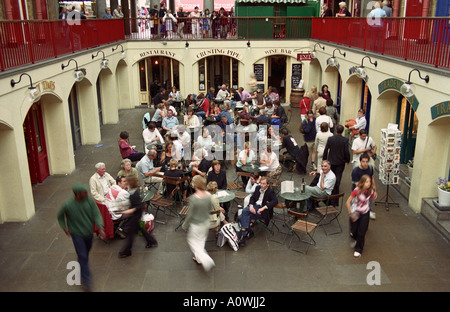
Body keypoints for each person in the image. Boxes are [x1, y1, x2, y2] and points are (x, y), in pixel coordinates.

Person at [57, 183, 104, 291]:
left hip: (88, 233)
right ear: (78, 194)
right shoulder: (68, 205)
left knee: (85, 253)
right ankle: (86, 281)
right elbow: (60, 217)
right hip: (76, 234)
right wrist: (65, 228)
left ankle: (82, 264)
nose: (87, 194)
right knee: (83, 256)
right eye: (84, 192)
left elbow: (96, 214)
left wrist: (100, 227)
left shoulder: (90, 201)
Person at [118, 175, 158, 258]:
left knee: (130, 233)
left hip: (135, 214)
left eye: (126, 181)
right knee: (138, 228)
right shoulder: (132, 191)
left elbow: (137, 206)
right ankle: (151, 241)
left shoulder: (133, 193)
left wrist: (128, 211)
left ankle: (127, 250)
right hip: (136, 214)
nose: (125, 183)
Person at [182, 175, 215, 271]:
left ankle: (206, 260)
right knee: (201, 241)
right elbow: (210, 208)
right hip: (206, 222)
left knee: (192, 242)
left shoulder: (194, 198)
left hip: (196, 224)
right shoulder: (208, 195)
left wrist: (185, 225)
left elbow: (190, 215)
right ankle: (198, 259)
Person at [238, 177, 278, 246]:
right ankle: (247, 233)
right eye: (261, 183)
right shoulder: (257, 188)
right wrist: (251, 206)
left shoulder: (270, 192)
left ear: (267, 185)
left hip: (263, 211)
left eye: (263, 184)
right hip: (255, 206)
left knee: (241, 217)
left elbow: (275, 201)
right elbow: (252, 198)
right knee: (244, 212)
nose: (261, 185)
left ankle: (245, 234)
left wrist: (263, 208)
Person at [346, 174, 374, 257]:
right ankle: (354, 237)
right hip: (355, 212)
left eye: (369, 182)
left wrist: (368, 207)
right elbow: (348, 202)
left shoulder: (370, 191)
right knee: (354, 231)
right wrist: (350, 213)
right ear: (362, 182)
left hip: (365, 212)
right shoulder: (356, 190)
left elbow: (370, 199)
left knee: (362, 232)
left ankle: (359, 249)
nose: (368, 184)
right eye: (366, 182)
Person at [322, 124, 350, 199]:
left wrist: (324, 159)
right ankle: (336, 190)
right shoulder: (345, 140)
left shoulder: (330, 139)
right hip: (341, 161)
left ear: (335, 130)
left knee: (331, 174)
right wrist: (348, 160)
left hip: (331, 160)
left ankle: (330, 188)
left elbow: (326, 149)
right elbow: (346, 151)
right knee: (338, 175)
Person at [351, 153, 378, 219]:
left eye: (366, 162)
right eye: (363, 161)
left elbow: (372, 178)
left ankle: (368, 212)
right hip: (358, 191)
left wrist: (374, 190)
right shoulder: (355, 171)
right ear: (360, 162)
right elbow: (357, 185)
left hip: (368, 190)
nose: (365, 163)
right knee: (356, 207)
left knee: (368, 203)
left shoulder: (370, 168)